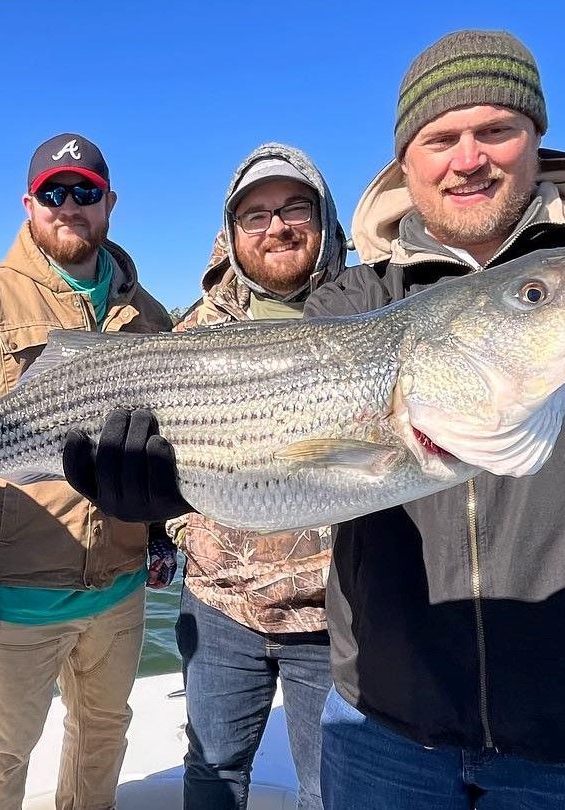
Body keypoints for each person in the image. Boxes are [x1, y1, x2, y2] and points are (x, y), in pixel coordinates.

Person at [67, 30, 565, 809]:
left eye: (496, 130)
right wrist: (176, 489)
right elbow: (290, 461)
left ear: (537, 137)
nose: (468, 157)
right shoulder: (356, 297)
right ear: (404, 161)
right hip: (385, 721)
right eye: (439, 138)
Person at [0, 133, 175, 810]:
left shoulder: (150, 317)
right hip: (12, 596)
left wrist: (159, 534)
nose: (69, 206)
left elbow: (167, 445)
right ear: (29, 205)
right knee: (1, 753)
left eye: (84, 192)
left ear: (109, 203)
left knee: (104, 735)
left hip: (118, 588)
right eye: (53, 193)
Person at [169, 143, 344, 809]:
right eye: (255, 215)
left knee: (330, 789)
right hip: (220, 606)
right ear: (231, 233)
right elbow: (161, 464)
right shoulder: (191, 332)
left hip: (339, 613)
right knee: (213, 774)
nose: (277, 226)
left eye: (295, 207)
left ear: (323, 221)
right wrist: (183, 528)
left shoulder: (367, 309)